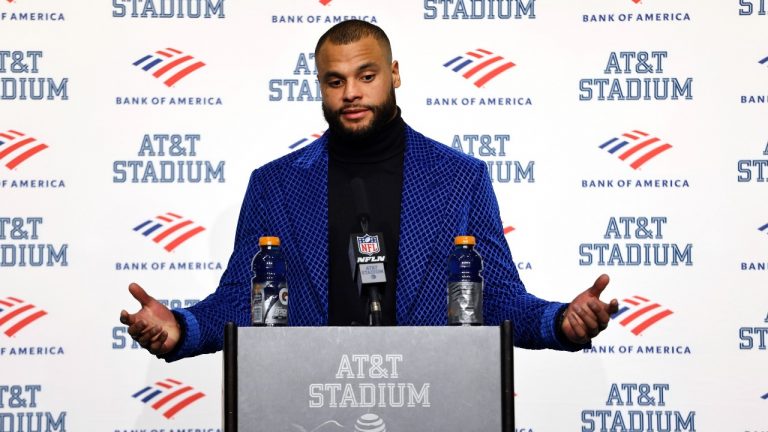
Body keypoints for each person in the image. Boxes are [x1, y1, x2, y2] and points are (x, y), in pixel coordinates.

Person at [120, 20, 619, 361]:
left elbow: (496, 299)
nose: (351, 93)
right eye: (334, 81)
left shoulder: (459, 177)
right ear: (319, 86)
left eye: (366, 75)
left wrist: (560, 322)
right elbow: (241, 303)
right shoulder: (275, 185)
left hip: (428, 403)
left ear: (394, 74)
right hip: (310, 404)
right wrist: (182, 328)